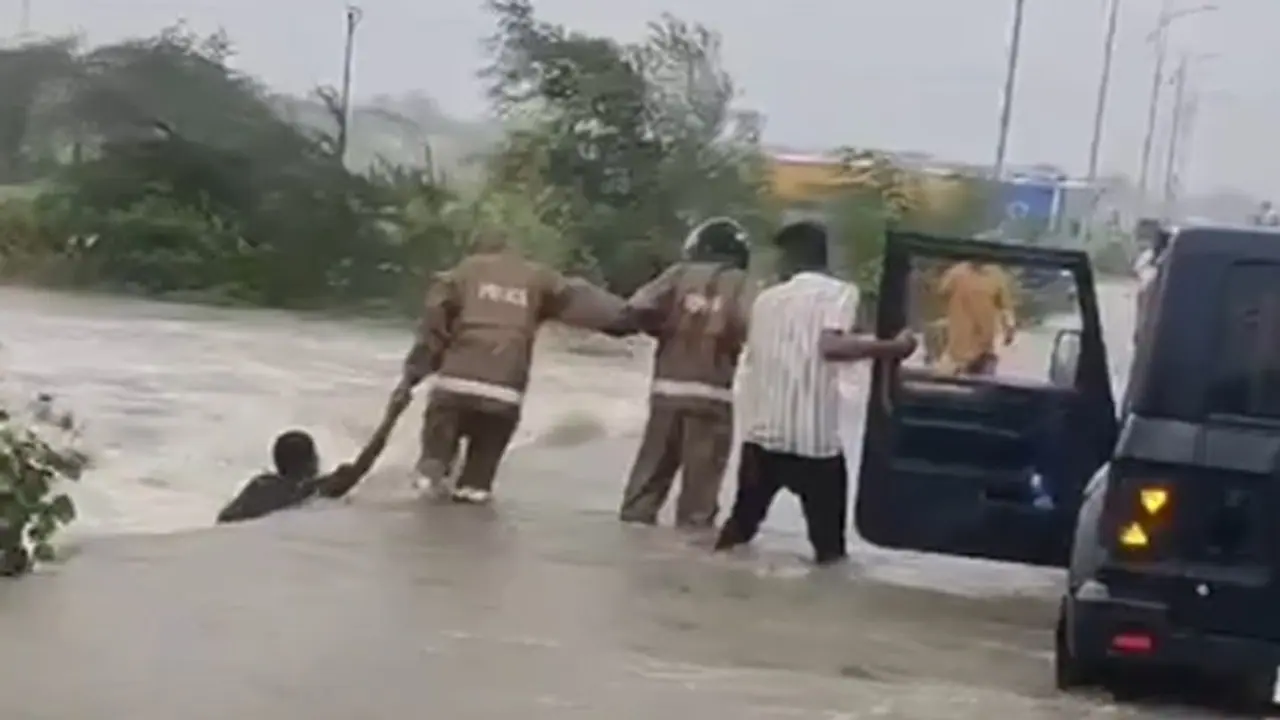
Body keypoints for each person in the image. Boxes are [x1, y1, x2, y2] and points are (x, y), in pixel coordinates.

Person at [714, 221, 916, 565]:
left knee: (736, 535)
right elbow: (831, 345)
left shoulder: (766, 300)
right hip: (815, 444)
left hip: (763, 438)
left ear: (792, 257)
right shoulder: (840, 293)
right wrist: (893, 348)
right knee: (830, 553)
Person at [396, 231, 624, 505]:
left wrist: (411, 377)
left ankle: (426, 502)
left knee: (432, 466)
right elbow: (594, 309)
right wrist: (643, 319)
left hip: (454, 388)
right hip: (505, 393)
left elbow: (432, 333)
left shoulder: (459, 275)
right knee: (476, 485)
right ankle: (471, 508)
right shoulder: (540, 278)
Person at [617, 217, 754, 530]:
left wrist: (661, 328)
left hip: (666, 394)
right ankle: (689, 566)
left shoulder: (677, 275)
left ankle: (632, 554)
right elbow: (754, 328)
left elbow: (635, 309)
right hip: (713, 398)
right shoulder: (744, 284)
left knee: (643, 492)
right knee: (699, 507)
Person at [216, 388, 410, 524]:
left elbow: (225, 518)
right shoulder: (311, 490)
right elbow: (363, 465)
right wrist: (392, 416)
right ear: (310, 463)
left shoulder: (259, 484)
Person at [935, 260, 1016, 376]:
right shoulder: (956, 273)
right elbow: (941, 295)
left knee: (983, 385)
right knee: (943, 380)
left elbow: (1006, 307)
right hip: (959, 345)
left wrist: (1010, 327)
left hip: (985, 347)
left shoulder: (995, 275)